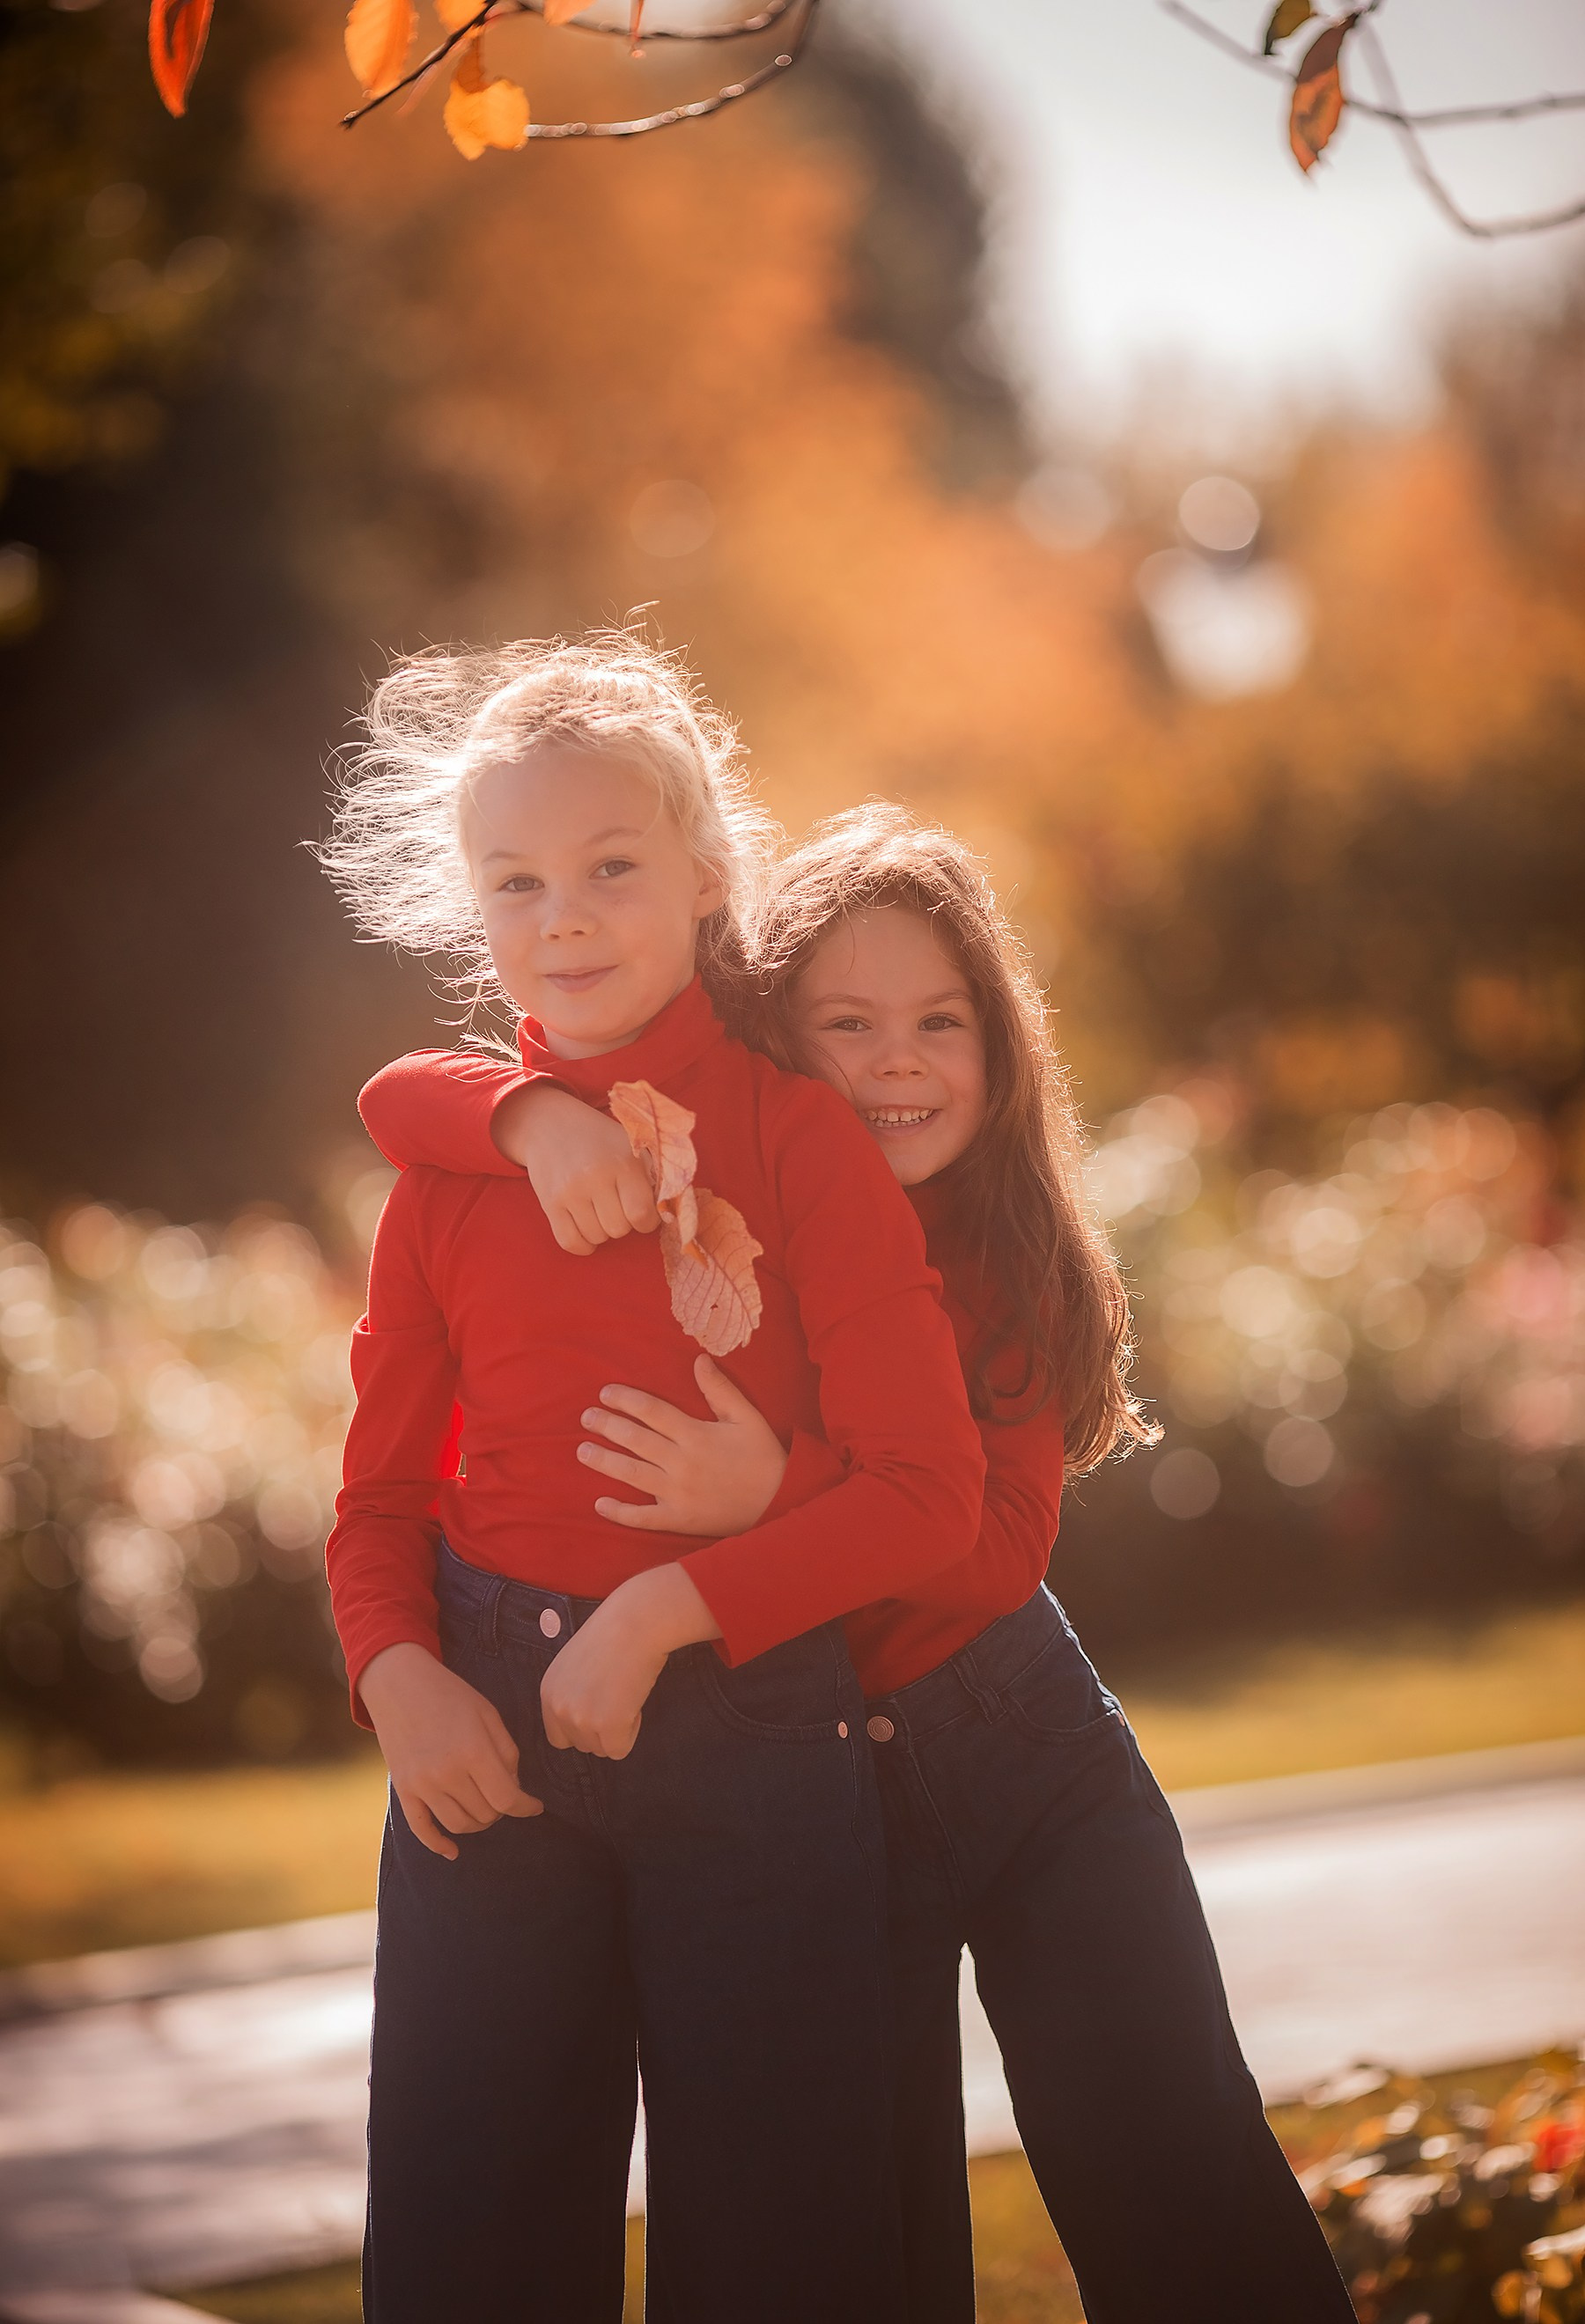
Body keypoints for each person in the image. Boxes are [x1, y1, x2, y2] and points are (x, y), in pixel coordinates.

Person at [361, 801, 1357, 2324]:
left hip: (1018, 1749)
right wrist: (524, 1113)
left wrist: (776, 1487)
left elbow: (993, 1542)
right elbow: (412, 1093)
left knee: (1171, 2168)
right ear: (775, 1041)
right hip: (818, 1781)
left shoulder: (1011, 1253)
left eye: (941, 1023)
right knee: (876, 2242)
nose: (898, 1060)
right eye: (850, 1023)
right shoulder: (721, 1185)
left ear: (999, 1050)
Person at [319, 644, 988, 2324]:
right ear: (470, 907)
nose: (567, 915)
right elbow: (377, 1501)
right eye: (517, 881)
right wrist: (399, 1678)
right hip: (480, 1739)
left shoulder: (801, 1141)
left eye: (614, 866)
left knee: (784, 2260)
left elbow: (927, 1491)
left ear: (704, 874)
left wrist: (664, 1614)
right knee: (470, 2255)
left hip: (758, 1740)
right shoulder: (452, 1173)